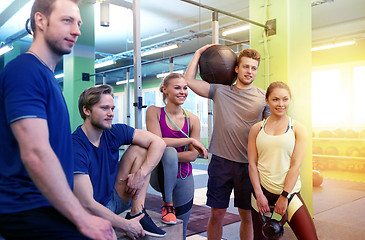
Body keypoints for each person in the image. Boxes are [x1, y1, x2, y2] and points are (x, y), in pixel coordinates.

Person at [0, 0, 116, 239]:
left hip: (46, 204)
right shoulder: (24, 71)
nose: (77, 30)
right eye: (67, 21)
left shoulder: (47, 77)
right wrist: (82, 217)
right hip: (24, 208)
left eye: (79, 23)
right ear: (40, 21)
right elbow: (35, 152)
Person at [184, 44, 271, 240]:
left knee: (247, 214)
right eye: (246, 67)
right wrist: (198, 52)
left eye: (254, 68)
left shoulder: (262, 97)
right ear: (237, 68)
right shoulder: (220, 91)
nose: (250, 71)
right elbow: (189, 80)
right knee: (217, 214)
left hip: (248, 166)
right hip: (221, 162)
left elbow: (271, 130)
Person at [72, 84, 167, 239]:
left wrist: (140, 175)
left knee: (141, 149)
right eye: (104, 108)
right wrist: (124, 225)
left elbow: (159, 143)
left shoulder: (114, 132)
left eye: (112, 108)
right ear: (86, 110)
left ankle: (138, 212)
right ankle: (126, 220)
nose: (111, 114)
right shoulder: (75, 146)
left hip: (113, 198)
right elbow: (87, 203)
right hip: (91, 211)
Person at [247, 81, 318, 240]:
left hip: (288, 194)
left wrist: (284, 196)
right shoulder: (256, 129)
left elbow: (296, 166)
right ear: (267, 100)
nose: (281, 104)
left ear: (290, 100)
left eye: (285, 99)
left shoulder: (298, 129)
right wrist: (259, 194)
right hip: (261, 194)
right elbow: (252, 164)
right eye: (275, 99)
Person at [146, 73, 208, 239]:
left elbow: (192, 156)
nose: (183, 92)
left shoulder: (193, 119)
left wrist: (169, 159)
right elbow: (157, 142)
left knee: (181, 229)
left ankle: (172, 207)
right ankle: (167, 204)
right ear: (165, 90)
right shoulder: (154, 112)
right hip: (160, 175)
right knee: (168, 151)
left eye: (185, 88)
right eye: (177, 87)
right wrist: (188, 140)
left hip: (183, 177)